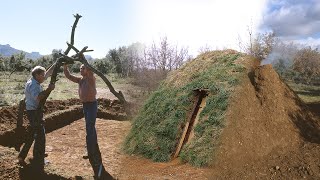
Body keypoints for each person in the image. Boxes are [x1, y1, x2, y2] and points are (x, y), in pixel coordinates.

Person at [63, 64, 110, 179]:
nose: (81, 70)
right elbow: (68, 76)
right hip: (85, 105)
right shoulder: (80, 80)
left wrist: (82, 58)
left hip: (92, 105)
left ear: (88, 70)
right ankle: (90, 149)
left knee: (90, 126)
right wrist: (65, 67)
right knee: (89, 127)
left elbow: (90, 70)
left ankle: (91, 149)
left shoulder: (90, 78)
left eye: (83, 68)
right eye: (80, 68)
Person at [18, 65, 55, 170]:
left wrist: (55, 65)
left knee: (32, 134)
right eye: (42, 75)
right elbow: (39, 98)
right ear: (37, 75)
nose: (44, 76)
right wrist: (49, 89)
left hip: (33, 111)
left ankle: (22, 156)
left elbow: (47, 74)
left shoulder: (33, 81)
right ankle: (38, 159)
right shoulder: (34, 85)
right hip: (34, 112)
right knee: (40, 136)